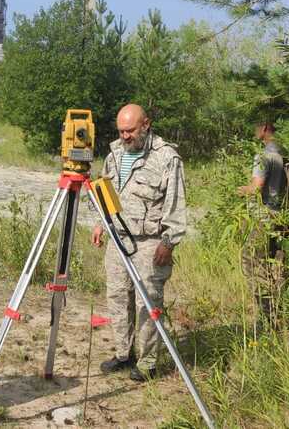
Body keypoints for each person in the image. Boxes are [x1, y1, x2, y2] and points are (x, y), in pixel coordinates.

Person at [90, 104, 187, 382]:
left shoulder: (167, 157)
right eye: (121, 131)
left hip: (149, 243)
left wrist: (169, 243)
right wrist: (100, 221)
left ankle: (147, 363)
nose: (125, 136)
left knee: (148, 303)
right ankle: (124, 354)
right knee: (118, 298)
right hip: (117, 239)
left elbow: (175, 203)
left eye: (130, 130)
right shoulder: (115, 153)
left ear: (146, 124)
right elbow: (105, 191)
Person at [237, 121, 288, 327]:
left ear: (265, 128)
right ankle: (281, 310)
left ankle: (268, 317)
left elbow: (256, 187)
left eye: (256, 127)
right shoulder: (287, 155)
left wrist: (241, 190)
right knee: (277, 264)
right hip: (283, 217)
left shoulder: (264, 155)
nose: (254, 130)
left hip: (264, 217)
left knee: (252, 261)